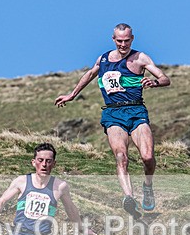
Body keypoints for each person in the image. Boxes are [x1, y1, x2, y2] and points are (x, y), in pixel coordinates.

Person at [55, 23, 170, 218]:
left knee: (148, 157)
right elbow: (91, 74)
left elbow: (165, 78)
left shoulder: (140, 58)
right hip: (113, 114)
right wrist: (72, 94)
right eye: (119, 41)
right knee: (120, 156)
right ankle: (129, 198)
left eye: (126, 40)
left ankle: (148, 186)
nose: (123, 44)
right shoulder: (104, 58)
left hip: (136, 111)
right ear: (113, 39)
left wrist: (155, 82)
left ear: (132, 39)